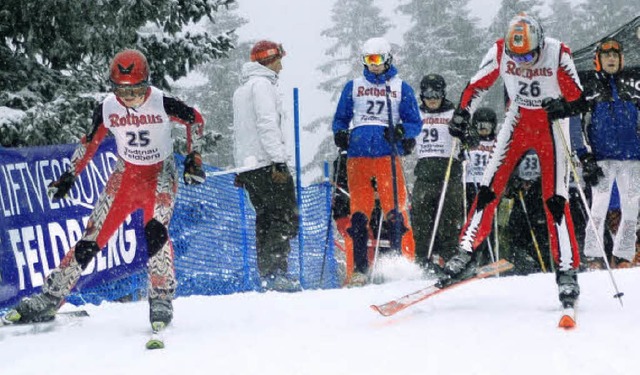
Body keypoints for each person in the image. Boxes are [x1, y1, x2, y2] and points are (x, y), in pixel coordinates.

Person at [3, 49, 207, 330]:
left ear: (147, 83)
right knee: (90, 239)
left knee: (155, 231)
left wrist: (194, 158)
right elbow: (90, 141)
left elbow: (195, 119)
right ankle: (50, 297)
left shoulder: (162, 101)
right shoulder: (108, 107)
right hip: (125, 177)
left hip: (159, 175)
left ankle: (160, 296)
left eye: (136, 90)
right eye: (122, 90)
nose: (129, 98)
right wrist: (69, 175)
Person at [443, 13, 583, 310]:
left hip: (551, 124)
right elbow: (476, 85)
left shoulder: (558, 52)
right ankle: (468, 250)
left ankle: (567, 269)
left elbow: (579, 97)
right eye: (516, 57)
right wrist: (461, 114)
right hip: (518, 120)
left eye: (530, 56)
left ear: (541, 44)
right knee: (488, 188)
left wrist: (563, 103)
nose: (523, 63)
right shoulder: (499, 51)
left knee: (555, 199)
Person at [332, 37, 421, 285]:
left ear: (387, 58)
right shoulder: (354, 86)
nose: (373, 65)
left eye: (377, 60)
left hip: (386, 154)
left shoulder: (401, 87)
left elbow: (415, 122)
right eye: (368, 60)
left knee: (395, 209)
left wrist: (403, 132)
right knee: (359, 212)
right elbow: (341, 117)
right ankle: (361, 269)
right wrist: (340, 133)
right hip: (358, 154)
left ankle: (395, 263)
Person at [552, 38, 640, 269]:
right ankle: (594, 256)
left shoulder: (633, 86)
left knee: (631, 207)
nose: (611, 58)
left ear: (621, 59)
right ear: (598, 60)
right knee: (598, 207)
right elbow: (574, 123)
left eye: (615, 55)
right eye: (606, 55)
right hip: (600, 159)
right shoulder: (587, 87)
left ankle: (624, 255)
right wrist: (584, 156)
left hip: (632, 158)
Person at [232, 40, 300, 292]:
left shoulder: (243, 90)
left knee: (265, 218)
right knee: (284, 216)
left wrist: (241, 168)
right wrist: (279, 161)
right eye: (279, 58)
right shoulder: (262, 86)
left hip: (251, 165)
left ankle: (269, 274)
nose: (281, 65)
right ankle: (275, 273)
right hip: (267, 163)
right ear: (270, 60)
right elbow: (267, 124)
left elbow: (239, 131)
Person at [411, 74, 464, 272]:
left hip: (449, 173)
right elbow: (406, 137)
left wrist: (465, 136)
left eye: (437, 93)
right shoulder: (415, 113)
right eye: (427, 93)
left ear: (443, 93)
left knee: (449, 218)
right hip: (424, 174)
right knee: (421, 219)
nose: (432, 98)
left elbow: (471, 138)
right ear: (421, 94)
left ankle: (449, 256)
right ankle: (423, 259)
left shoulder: (454, 112)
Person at [464, 107, 498, 266]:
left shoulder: (497, 142)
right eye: (479, 126)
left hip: (488, 188)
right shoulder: (470, 140)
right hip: (471, 184)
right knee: (471, 221)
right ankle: (470, 256)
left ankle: (487, 257)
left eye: (487, 126)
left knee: (487, 222)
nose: (483, 130)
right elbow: (459, 156)